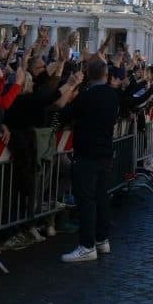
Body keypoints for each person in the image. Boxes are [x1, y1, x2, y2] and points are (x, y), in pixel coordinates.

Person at [57, 58, 125, 263]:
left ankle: (87, 245)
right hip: (105, 151)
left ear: (88, 75)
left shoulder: (86, 96)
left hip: (86, 152)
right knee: (101, 197)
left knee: (86, 200)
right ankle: (102, 239)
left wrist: (72, 86)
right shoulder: (113, 96)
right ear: (106, 75)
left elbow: (62, 110)